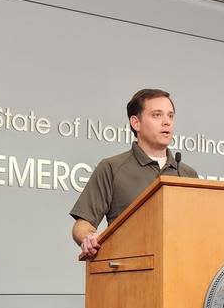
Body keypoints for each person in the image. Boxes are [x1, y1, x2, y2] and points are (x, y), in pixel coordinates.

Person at [70, 88, 198, 260]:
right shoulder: (112, 167)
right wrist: (88, 238)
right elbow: (82, 224)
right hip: (128, 271)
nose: (166, 122)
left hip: (180, 267)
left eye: (170, 115)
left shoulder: (187, 173)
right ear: (135, 123)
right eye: (157, 115)